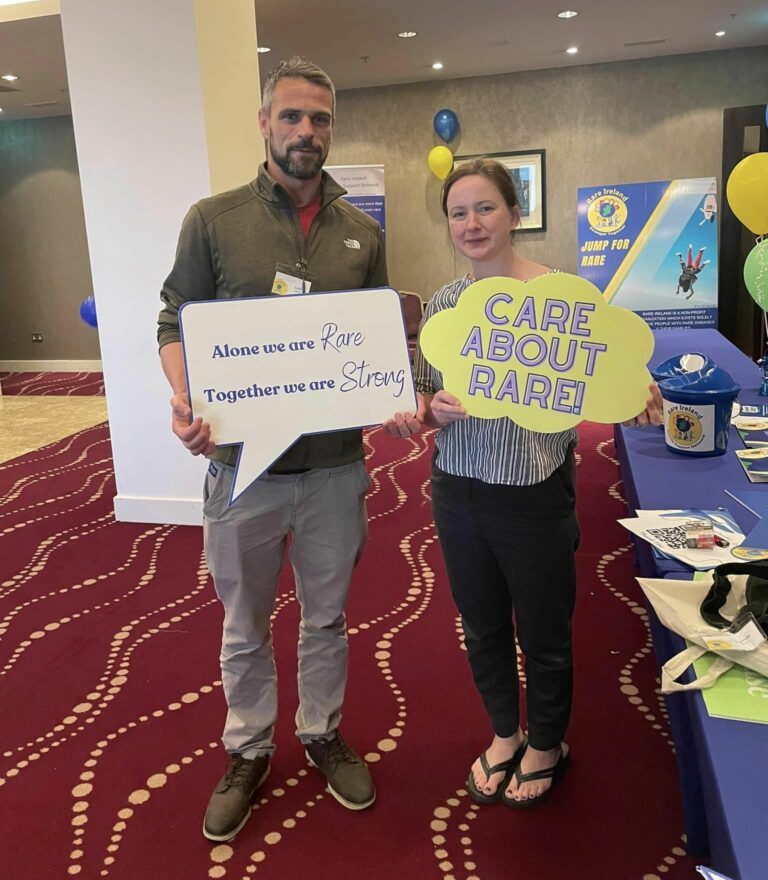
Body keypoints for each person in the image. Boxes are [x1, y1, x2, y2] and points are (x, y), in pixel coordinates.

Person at [158, 56, 386, 841]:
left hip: (334, 468)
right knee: (243, 623)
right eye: (291, 116)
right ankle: (249, 747)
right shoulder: (212, 220)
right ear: (264, 123)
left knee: (326, 619)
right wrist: (185, 400)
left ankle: (320, 731)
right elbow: (173, 321)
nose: (305, 132)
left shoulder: (363, 232)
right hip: (240, 469)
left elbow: (381, 340)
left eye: (319, 119)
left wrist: (396, 395)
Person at [385, 158, 661, 808]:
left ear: (513, 213)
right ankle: (505, 733)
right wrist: (423, 414)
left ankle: (547, 744)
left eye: (485, 208)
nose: (472, 223)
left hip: (535, 496)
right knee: (480, 624)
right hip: (457, 492)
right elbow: (422, 401)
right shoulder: (448, 304)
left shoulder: (564, 298)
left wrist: (634, 392)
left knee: (542, 630)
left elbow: (606, 374)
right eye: (458, 213)